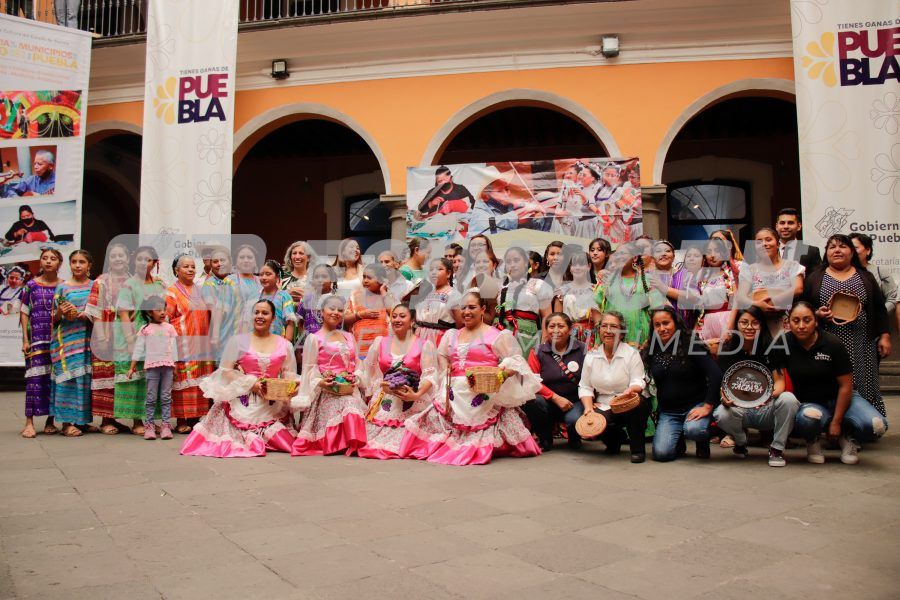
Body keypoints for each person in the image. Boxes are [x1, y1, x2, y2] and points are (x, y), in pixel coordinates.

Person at [399, 292, 542, 465]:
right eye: (463, 307)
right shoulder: (451, 334)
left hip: (483, 391)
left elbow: (516, 361)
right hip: (453, 392)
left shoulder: (497, 335)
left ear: (483, 309)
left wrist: (500, 374)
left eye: (472, 307)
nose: (466, 312)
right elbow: (442, 355)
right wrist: (447, 372)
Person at [181, 300, 299, 458]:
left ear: (273, 318)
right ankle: (251, 436)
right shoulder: (237, 341)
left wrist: (292, 387)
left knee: (286, 442)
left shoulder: (285, 344)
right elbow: (225, 371)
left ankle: (261, 435)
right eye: (256, 312)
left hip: (272, 400)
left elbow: (288, 374)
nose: (259, 316)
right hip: (244, 398)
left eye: (265, 313)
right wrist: (250, 383)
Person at [787, 302, 887, 465]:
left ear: (816, 321)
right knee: (806, 419)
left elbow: (846, 386)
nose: (801, 326)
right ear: (788, 322)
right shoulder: (783, 344)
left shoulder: (832, 344)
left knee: (876, 426)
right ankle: (813, 440)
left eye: (807, 320)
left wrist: (837, 422)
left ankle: (847, 436)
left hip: (843, 399)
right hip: (811, 403)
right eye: (795, 320)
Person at [801, 234, 891, 416]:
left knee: (863, 381)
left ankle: (864, 421)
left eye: (843, 246)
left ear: (851, 253)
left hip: (861, 342)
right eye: (832, 247)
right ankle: (832, 420)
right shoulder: (814, 278)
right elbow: (804, 307)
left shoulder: (865, 276)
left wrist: (885, 336)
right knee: (830, 382)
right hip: (826, 342)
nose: (837, 250)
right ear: (826, 253)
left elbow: (879, 308)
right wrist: (816, 314)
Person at [714, 306, 800, 467]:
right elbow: (723, 385)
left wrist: (766, 397)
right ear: (737, 325)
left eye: (755, 323)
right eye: (744, 322)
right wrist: (724, 398)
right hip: (740, 408)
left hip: (765, 407)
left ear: (761, 325)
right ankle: (740, 441)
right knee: (720, 413)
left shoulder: (772, 348)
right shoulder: (727, 350)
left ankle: (777, 449)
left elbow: (780, 382)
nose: (749, 327)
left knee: (789, 400)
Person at [357, 304, 436, 459]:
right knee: (372, 442)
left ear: (412, 321)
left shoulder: (424, 344)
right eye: (394, 316)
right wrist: (379, 386)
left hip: (413, 398)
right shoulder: (380, 342)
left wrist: (416, 394)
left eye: (402, 316)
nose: (397, 320)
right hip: (386, 397)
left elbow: (430, 375)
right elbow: (369, 370)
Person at [644, 307, 723, 461]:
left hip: (695, 406)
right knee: (661, 454)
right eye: (657, 325)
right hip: (669, 411)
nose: (662, 328)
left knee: (694, 430)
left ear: (676, 322)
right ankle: (678, 439)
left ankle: (702, 441)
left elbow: (716, 375)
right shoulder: (651, 348)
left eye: (666, 323)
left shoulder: (691, 343)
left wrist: (707, 406)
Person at [292, 294, 367, 456]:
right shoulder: (314, 338)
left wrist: (356, 377)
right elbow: (309, 369)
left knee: (350, 402)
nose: (336, 312)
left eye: (340, 310)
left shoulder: (349, 336)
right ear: (321, 312)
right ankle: (346, 441)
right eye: (331, 308)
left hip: (348, 388)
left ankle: (352, 441)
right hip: (326, 392)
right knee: (348, 405)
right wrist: (321, 381)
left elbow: (359, 364)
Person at [577, 312, 651, 462]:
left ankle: (637, 449)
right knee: (594, 421)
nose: (608, 330)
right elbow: (585, 386)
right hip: (604, 403)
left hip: (628, 400)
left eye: (614, 326)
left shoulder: (631, 354)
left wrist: (630, 391)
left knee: (638, 406)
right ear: (599, 330)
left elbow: (638, 381)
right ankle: (615, 439)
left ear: (622, 332)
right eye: (604, 326)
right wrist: (589, 408)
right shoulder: (591, 356)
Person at [115, 246, 165, 436]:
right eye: (140, 259)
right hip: (134, 334)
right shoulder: (129, 284)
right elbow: (124, 314)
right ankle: (137, 421)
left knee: (151, 379)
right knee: (135, 378)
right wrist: (129, 340)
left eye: (149, 260)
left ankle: (151, 420)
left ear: (155, 263)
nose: (144, 263)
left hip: (154, 336)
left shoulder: (159, 285)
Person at [166, 254, 215, 433]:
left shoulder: (200, 289)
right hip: (181, 344)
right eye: (186, 266)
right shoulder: (171, 292)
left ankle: (195, 419)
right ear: (176, 271)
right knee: (182, 380)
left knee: (199, 381)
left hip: (201, 344)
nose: (190, 269)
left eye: (193, 266)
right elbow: (166, 319)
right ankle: (181, 420)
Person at [523, 312, 587, 451]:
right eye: (552, 326)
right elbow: (532, 382)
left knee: (574, 420)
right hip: (548, 402)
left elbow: (591, 379)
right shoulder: (538, 352)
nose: (556, 330)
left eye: (561, 326)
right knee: (531, 401)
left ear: (570, 330)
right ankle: (545, 439)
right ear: (546, 329)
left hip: (575, 401)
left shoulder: (582, 349)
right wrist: (555, 397)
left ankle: (575, 438)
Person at [85, 242, 130, 435]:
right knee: (106, 377)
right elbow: (95, 310)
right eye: (114, 256)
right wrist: (102, 336)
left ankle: (124, 417)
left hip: (127, 336)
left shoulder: (132, 280)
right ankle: (106, 420)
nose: (118, 259)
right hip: (107, 333)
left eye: (121, 255)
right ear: (108, 260)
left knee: (126, 377)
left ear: (128, 259)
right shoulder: (101, 281)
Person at [50, 250, 95, 437]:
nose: (77, 265)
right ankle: (66, 423)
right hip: (66, 341)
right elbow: (53, 318)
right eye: (74, 262)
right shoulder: (62, 288)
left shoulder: (95, 286)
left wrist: (87, 314)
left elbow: (101, 311)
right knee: (67, 379)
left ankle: (81, 421)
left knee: (84, 381)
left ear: (89, 266)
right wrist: (62, 311)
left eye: (82, 262)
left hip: (87, 339)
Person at [18, 248, 61, 438]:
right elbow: (24, 311)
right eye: (45, 258)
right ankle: (29, 422)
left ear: (59, 263)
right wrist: (25, 340)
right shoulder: (31, 286)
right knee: (34, 381)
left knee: (54, 380)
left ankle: (50, 422)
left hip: (57, 340)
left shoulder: (63, 286)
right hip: (36, 339)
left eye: (53, 258)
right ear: (41, 262)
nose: (49, 261)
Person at [730, 227, 804, 337]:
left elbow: (798, 289)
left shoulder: (792, 266)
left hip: (786, 322)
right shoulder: (748, 269)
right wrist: (757, 304)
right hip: (757, 323)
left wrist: (775, 299)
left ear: (778, 244)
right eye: (759, 242)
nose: (764, 244)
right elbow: (741, 296)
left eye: (768, 240)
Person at [594, 241, 664, 349]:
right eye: (617, 254)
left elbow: (658, 310)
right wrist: (600, 332)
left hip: (641, 340)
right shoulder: (607, 280)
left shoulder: (647, 281)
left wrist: (651, 337)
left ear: (635, 258)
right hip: (610, 339)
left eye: (623, 254)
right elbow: (595, 306)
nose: (618, 257)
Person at [127, 297, 177, 441]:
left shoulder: (170, 328)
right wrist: (132, 367)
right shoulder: (145, 330)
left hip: (168, 367)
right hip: (152, 367)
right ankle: (149, 426)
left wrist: (176, 365)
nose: (162, 313)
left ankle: (166, 425)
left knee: (166, 397)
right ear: (149, 312)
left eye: (164, 309)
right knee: (151, 397)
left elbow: (174, 349)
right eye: (158, 310)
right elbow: (138, 349)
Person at [496, 247, 553, 356]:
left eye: (516, 260)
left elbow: (547, 316)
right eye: (508, 261)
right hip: (502, 333)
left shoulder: (538, 284)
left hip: (528, 336)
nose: (512, 264)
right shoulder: (501, 286)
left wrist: (544, 343)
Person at [409, 257, 462, 346]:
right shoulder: (425, 293)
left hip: (441, 339)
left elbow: (460, 323)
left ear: (448, 273)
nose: (434, 272)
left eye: (439, 269)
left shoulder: (453, 294)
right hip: (420, 337)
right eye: (431, 269)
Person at [849, 232, 898, 323]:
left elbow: (892, 298)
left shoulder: (880, 272)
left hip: (875, 328)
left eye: (855, 248)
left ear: (868, 250)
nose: (852, 251)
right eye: (849, 248)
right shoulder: (839, 272)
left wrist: (878, 315)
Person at [345, 263, 390, 359]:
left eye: (369, 278)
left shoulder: (387, 296)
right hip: (360, 351)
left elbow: (393, 313)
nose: (365, 281)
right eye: (364, 277)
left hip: (383, 353)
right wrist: (360, 315)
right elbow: (344, 319)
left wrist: (383, 292)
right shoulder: (355, 296)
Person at [202, 248, 239, 361]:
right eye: (215, 261)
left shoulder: (237, 279)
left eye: (222, 260)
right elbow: (214, 311)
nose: (219, 264)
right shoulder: (209, 284)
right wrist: (216, 335)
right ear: (211, 264)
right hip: (222, 333)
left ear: (230, 262)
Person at [553, 252, 596, 345]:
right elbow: (557, 318)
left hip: (590, 336)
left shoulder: (596, 289)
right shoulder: (561, 290)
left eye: (581, 264)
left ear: (589, 266)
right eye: (574, 264)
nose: (577, 267)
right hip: (566, 335)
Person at [226, 244, 262, 335]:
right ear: (236, 261)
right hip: (233, 331)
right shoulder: (229, 281)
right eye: (241, 257)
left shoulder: (261, 282)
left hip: (258, 330)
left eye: (250, 257)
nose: (246, 260)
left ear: (255, 262)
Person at [257, 260, 297, 341]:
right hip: (257, 341)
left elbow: (290, 322)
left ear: (277, 277)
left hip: (277, 342)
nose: (264, 277)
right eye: (261, 275)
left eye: (268, 274)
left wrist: (285, 344)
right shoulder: (255, 295)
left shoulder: (284, 296)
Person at [280, 241, 315, 314]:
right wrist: (287, 294)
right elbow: (273, 299)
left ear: (308, 258)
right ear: (290, 257)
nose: (297, 257)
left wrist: (307, 297)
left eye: (301, 253)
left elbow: (321, 303)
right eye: (294, 253)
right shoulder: (282, 277)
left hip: (307, 321)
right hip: (284, 320)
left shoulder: (315, 279)